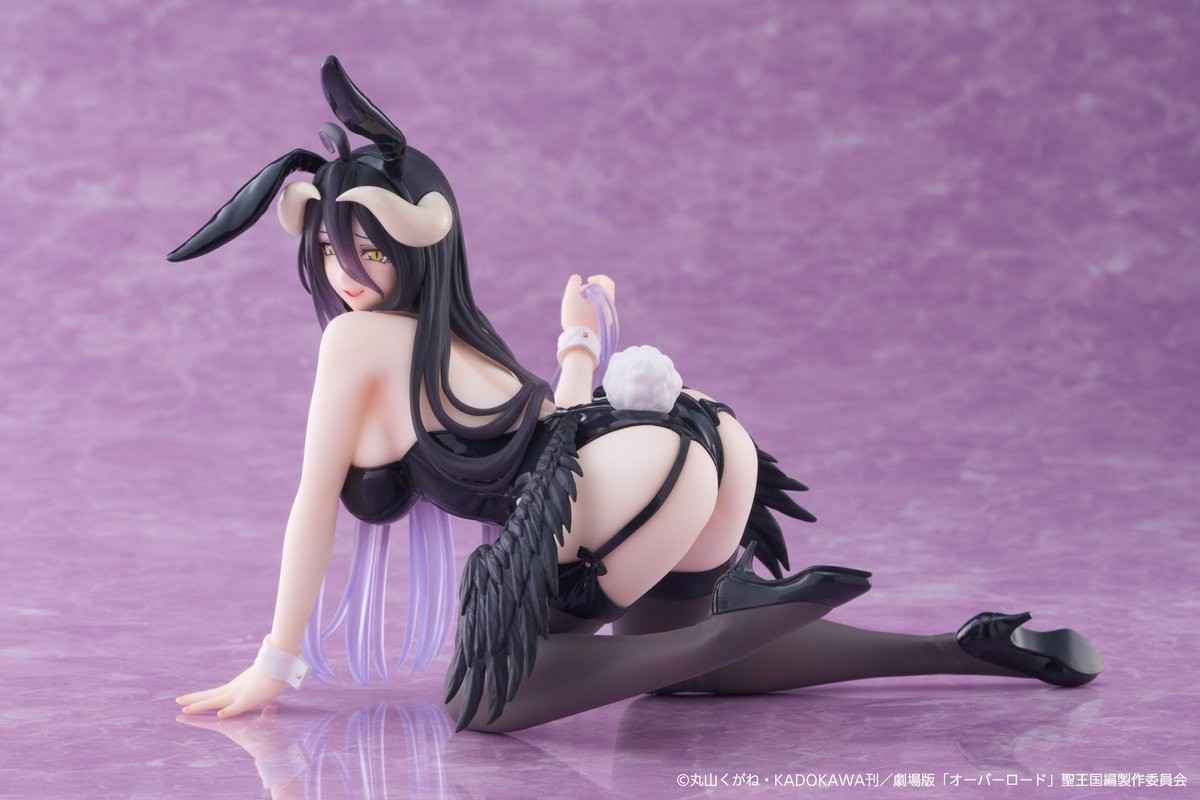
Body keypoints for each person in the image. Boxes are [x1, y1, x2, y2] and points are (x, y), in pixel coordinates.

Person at [172, 57, 1102, 733]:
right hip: (691, 444)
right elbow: (553, 424)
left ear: (420, 247)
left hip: (620, 481)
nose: (345, 271)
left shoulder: (358, 343)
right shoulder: (454, 339)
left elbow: (313, 503)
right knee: (681, 665)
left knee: (485, 694)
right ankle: (954, 645)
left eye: (368, 248)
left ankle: (761, 615)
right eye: (329, 249)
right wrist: (578, 341)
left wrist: (275, 661)